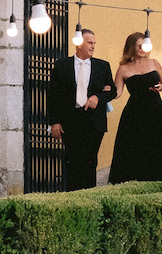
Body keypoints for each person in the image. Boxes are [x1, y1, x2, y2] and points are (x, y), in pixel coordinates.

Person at [47, 27, 116, 191]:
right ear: (79, 44)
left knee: (90, 160)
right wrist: (54, 122)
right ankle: (73, 197)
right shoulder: (62, 65)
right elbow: (53, 96)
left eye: (94, 43)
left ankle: (90, 195)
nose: (93, 46)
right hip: (70, 121)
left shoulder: (102, 66)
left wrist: (98, 97)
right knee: (72, 160)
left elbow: (112, 91)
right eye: (89, 43)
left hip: (94, 121)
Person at [109, 28, 162, 184]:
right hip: (135, 114)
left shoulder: (154, 62)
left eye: (144, 45)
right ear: (131, 48)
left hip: (156, 111)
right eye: (139, 46)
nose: (142, 49)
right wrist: (104, 91)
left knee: (159, 148)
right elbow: (117, 92)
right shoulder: (123, 69)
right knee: (136, 149)